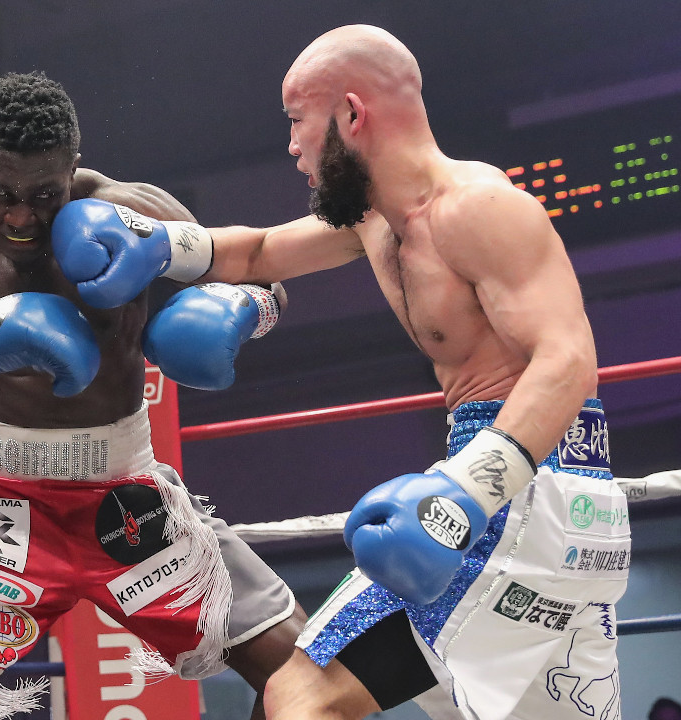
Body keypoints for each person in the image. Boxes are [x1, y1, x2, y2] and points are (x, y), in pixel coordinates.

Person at [50, 25, 630, 720]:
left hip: (515, 491)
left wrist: (466, 495)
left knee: (301, 696)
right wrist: (156, 243)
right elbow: (259, 252)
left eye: (298, 121)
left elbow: (568, 360)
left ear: (352, 115)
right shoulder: (375, 221)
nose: (293, 146)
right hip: (559, 504)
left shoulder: (479, 207)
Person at [0, 71, 305, 720]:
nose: (20, 216)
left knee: (303, 671)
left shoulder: (132, 213)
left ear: (73, 169)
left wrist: (238, 310)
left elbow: (265, 277)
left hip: (126, 496)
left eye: (44, 195)